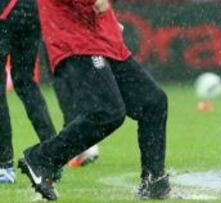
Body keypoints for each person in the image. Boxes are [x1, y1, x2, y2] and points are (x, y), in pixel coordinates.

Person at [18, 0, 170, 200]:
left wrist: (109, 23)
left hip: (104, 38)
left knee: (153, 102)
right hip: (76, 40)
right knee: (107, 112)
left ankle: (153, 181)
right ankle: (42, 158)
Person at [0, 0, 57, 183]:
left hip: (5, 11)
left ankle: (4, 165)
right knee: (25, 82)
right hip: (33, 10)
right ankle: (54, 156)